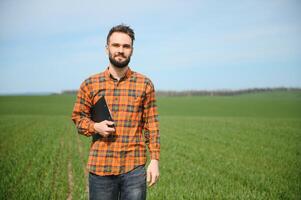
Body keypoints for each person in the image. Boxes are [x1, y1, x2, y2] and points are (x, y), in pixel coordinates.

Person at [71, 24, 160, 200]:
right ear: (107, 49)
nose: (121, 50)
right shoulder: (90, 84)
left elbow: (151, 124)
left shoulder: (145, 84)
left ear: (132, 50)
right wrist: (95, 127)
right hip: (101, 168)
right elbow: (78, 118)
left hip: (134, 169)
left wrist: (155, 160)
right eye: (116, 45)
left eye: (126, 46)